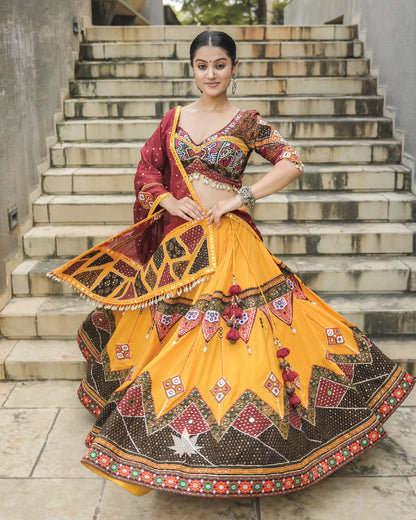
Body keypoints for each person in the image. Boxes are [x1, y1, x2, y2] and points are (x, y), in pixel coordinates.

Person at [50, 30, 414, 498]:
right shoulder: (174, 120)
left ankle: (246, 441)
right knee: (176, 331)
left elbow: (291, 160)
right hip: (183, 242)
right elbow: (147, 169)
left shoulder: (246, 122)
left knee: (236, 334)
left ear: (233, 68)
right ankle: (168, 432)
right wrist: (165, 199)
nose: (210, 73)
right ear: (192, 69)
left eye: (219, 64)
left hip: (231, 242)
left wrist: (240, 197)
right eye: (202, 65)